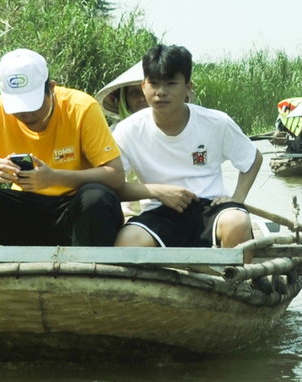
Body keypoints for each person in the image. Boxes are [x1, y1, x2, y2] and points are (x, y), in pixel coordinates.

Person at [0, 48, 125, 246]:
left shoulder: (81, 108)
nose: (27, 115)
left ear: (51, 88)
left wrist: (53, 177)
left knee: (97, 198)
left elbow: (114, 176)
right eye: (18, 108)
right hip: (23, 213)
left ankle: (88, 272)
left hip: (73, 213)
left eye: (33, 106)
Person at [112, 44, 261, 249]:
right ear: (144, 86)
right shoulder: (127, 130)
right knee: (126, 243)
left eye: (171, 84)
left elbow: (252, 159)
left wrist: (237, 198)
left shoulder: (216, 122)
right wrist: (158, 192)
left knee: (237, 222)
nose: (161, 92)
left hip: (210, 208)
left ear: (188, 87)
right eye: (154, 83)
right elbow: (114, 184)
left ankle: (239, 280)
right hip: (158, 210)